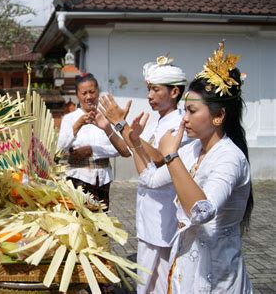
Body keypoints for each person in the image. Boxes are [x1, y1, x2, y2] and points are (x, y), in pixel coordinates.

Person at [124, 41, 253, 292]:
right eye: (185, 110)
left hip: (217, 272)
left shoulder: (229, 158)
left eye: (192, 111)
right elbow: (149, 179)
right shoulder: (193, 150)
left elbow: (202, 212)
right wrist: (135, 144)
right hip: (185, 264)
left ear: (218, 116)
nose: (184, 118)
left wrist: (171, 156)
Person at [99, 55, 189, 293]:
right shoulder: (156, 122)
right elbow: (136, 149)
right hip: (149, 214)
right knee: (146, 282)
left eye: (155, 90)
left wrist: (123, 125)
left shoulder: (179, 124)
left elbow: (161, 157)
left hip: (165, 216)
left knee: (162, 282)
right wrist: (113, 127)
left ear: (175, 92)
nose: (149, 96)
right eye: (149, 89)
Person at [57, 73, 130, 208]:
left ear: (98, 92)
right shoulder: (70, 119)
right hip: (77, 178)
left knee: (101, 222)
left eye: (92, 92)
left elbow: (120, 148)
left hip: (103, 179)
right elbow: (59, 149)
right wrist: (77, 125)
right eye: (84, 93)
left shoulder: (108, 117)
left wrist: (93, 150)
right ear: (77, 95)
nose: (89, 97)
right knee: (79, 222)